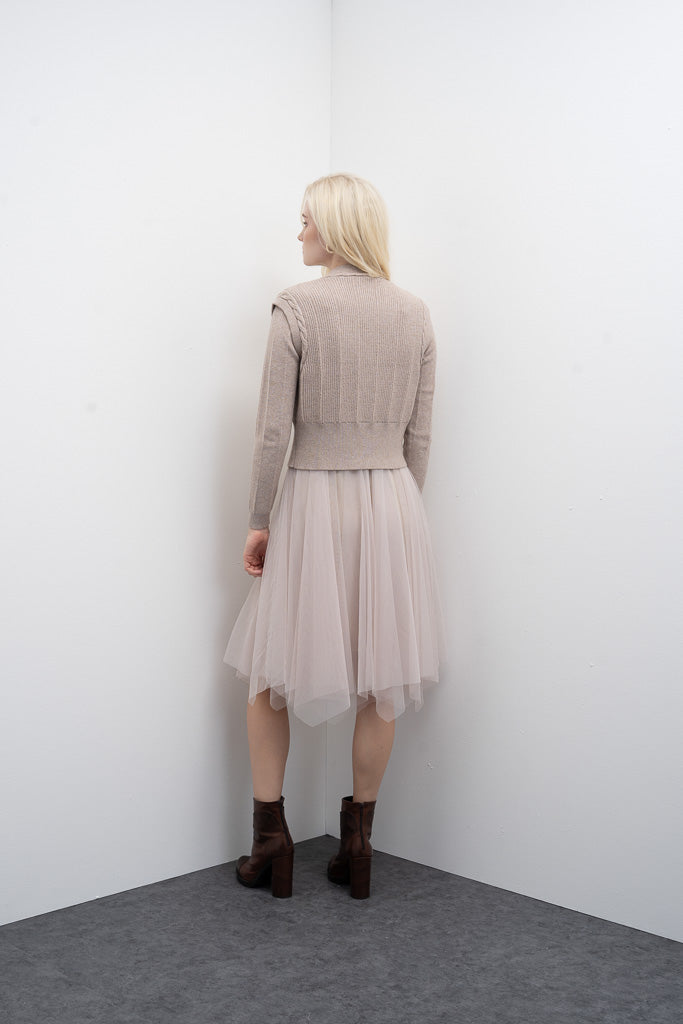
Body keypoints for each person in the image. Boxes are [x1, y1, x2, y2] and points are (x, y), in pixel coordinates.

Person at [224, 173, 444, 900]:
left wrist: (259, 519)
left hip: (314, 498)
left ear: (336, 227)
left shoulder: (297, 307)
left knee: (269, 671)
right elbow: (419, 437)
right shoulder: (414, 313)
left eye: (307, 220)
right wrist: (397, 510)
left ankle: (270, 840)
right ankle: (359, 848)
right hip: (392, 500)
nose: (299, 233)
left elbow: (272, 432)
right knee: (382, 677)